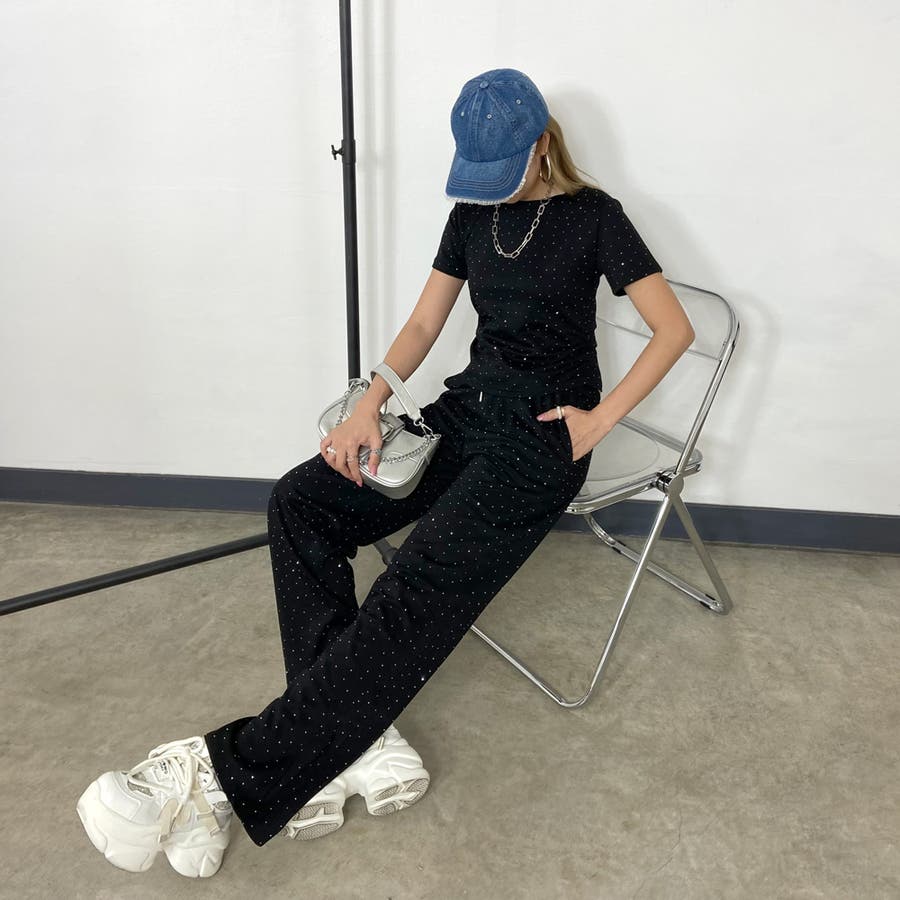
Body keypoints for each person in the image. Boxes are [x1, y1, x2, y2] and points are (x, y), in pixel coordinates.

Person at [75, 67, 695, 878]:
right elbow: (425, 322)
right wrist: (370, 404)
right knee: (302, 502)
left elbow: (673, 329)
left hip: (541, 441)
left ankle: (218, 777)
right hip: (465, 413)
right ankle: (351, 747)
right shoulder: (471, 214)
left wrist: (599, 422)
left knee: (417, 579)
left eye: (504, 173)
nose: (492, 191)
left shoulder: (596, 217)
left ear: (543, 144)